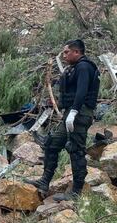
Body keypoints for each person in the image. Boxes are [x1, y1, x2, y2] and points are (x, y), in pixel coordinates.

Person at [27, 40, 100, 201]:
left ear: (76, 52)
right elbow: (71, 92)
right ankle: (44, 181)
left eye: (67, 52)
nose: (64, 55)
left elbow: (81, 91)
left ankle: (75, 192)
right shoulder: (74, 68)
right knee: (52, 143)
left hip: (80, 114)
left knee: (76, 150)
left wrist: (73, 112)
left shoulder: (84, 67)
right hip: (71, 113)